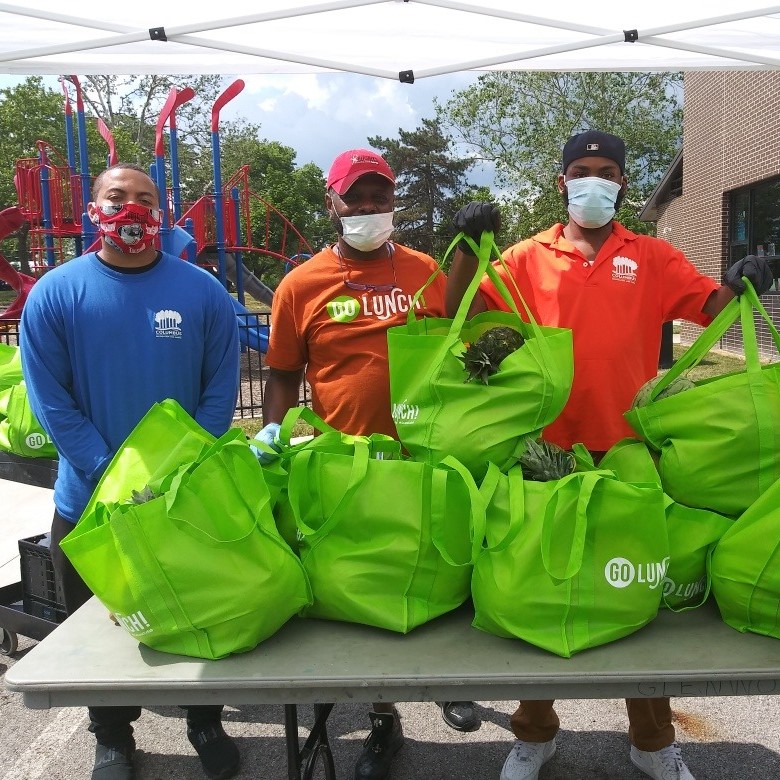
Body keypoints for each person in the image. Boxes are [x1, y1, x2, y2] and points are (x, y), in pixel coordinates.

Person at [445, 130, 774, 780]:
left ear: (622, 183)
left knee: (635, 590)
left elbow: (712, 306)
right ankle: (534, 733)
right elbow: (460, 313)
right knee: (542, 584)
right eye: (580, 169)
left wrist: (744, 280)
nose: (592, 180)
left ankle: (650, 742)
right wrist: (465, 250)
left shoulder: (649, 255)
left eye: (605, 171)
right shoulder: (525, 257)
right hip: (545, 452)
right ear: (562, 180)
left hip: (625, 449)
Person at [254, 148, 480, 780]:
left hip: (425, 455)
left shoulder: (422, 269)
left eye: (381, 197)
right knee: (365, 589)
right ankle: (383, 716)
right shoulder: (300, 284)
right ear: (334, 203)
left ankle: (449, 683)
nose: (371, 209)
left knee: (437, 571)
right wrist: (273, 431)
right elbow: (281, 371)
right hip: (345, 463)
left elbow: (462, 320)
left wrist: (468, 248)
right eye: (358, 198)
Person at [20, 163, 242, 780]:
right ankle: (112, 735)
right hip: (88, 504)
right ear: (94, 208)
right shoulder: (56, 293)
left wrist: (178, 472)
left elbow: (219, 393)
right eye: (117, 197)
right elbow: (51, 402)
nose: (132, 208)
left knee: (199, 614)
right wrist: (111, 474)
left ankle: (205, 720)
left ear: (163, 209)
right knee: (94, 633)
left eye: (145, 198)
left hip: (183, 497)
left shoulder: (202, 292)